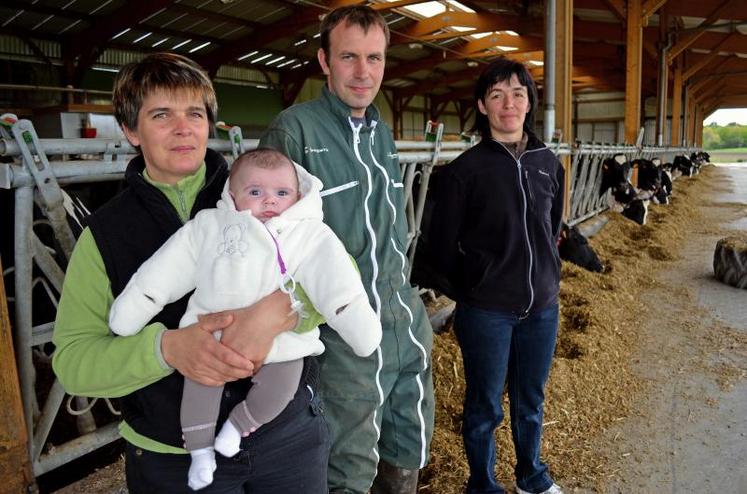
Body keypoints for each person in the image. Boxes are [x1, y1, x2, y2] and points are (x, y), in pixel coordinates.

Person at [52, 53, 330, 494]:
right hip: (172, 458)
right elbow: (73, 362)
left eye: (194, 114)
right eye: (161, 114)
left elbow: (339, 270)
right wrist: (165, 350)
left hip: (288, 438)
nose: (183, 128)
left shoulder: (259, 189)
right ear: (130, 130)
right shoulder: (105, 234)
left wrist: (286, 309)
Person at [107, 149, 382, 490]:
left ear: (297, 196)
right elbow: (164, 271)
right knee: (198, 392)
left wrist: (358, 325)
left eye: (282, 193)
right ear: (233, 196)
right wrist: (136, 307)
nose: (270, 201)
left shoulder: (310, 234)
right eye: (256, 192)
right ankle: (200, 453)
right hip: (211, 340)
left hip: (282, 346)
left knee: (280, 389)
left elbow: (339, 284)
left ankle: (237, 427)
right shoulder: (211, 226)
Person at [259, 5, 434, 494]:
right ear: (324, 61)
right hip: (343, 340)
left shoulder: (380, 132)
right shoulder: (294, 131)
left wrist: (413, 313)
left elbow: (392, 231)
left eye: (374, 58)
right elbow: (266, 247)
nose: (363, 72)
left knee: (409, 443)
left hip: (404, 323)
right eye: (349, 57)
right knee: (348, 466)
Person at [429, 57, 565, 494]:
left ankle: (531, 477)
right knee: (485, 405)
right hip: (487, 311)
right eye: (497, 95)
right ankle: (483, 484)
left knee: (531, 400)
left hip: (542, 307)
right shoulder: (465, 171)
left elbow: (553, 225)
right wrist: (475, 289)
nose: (509, 103)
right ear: (483, 106)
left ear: (529, 103)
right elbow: (441, 244)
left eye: (518, 94)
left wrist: (548, 280)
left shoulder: (549, 164)